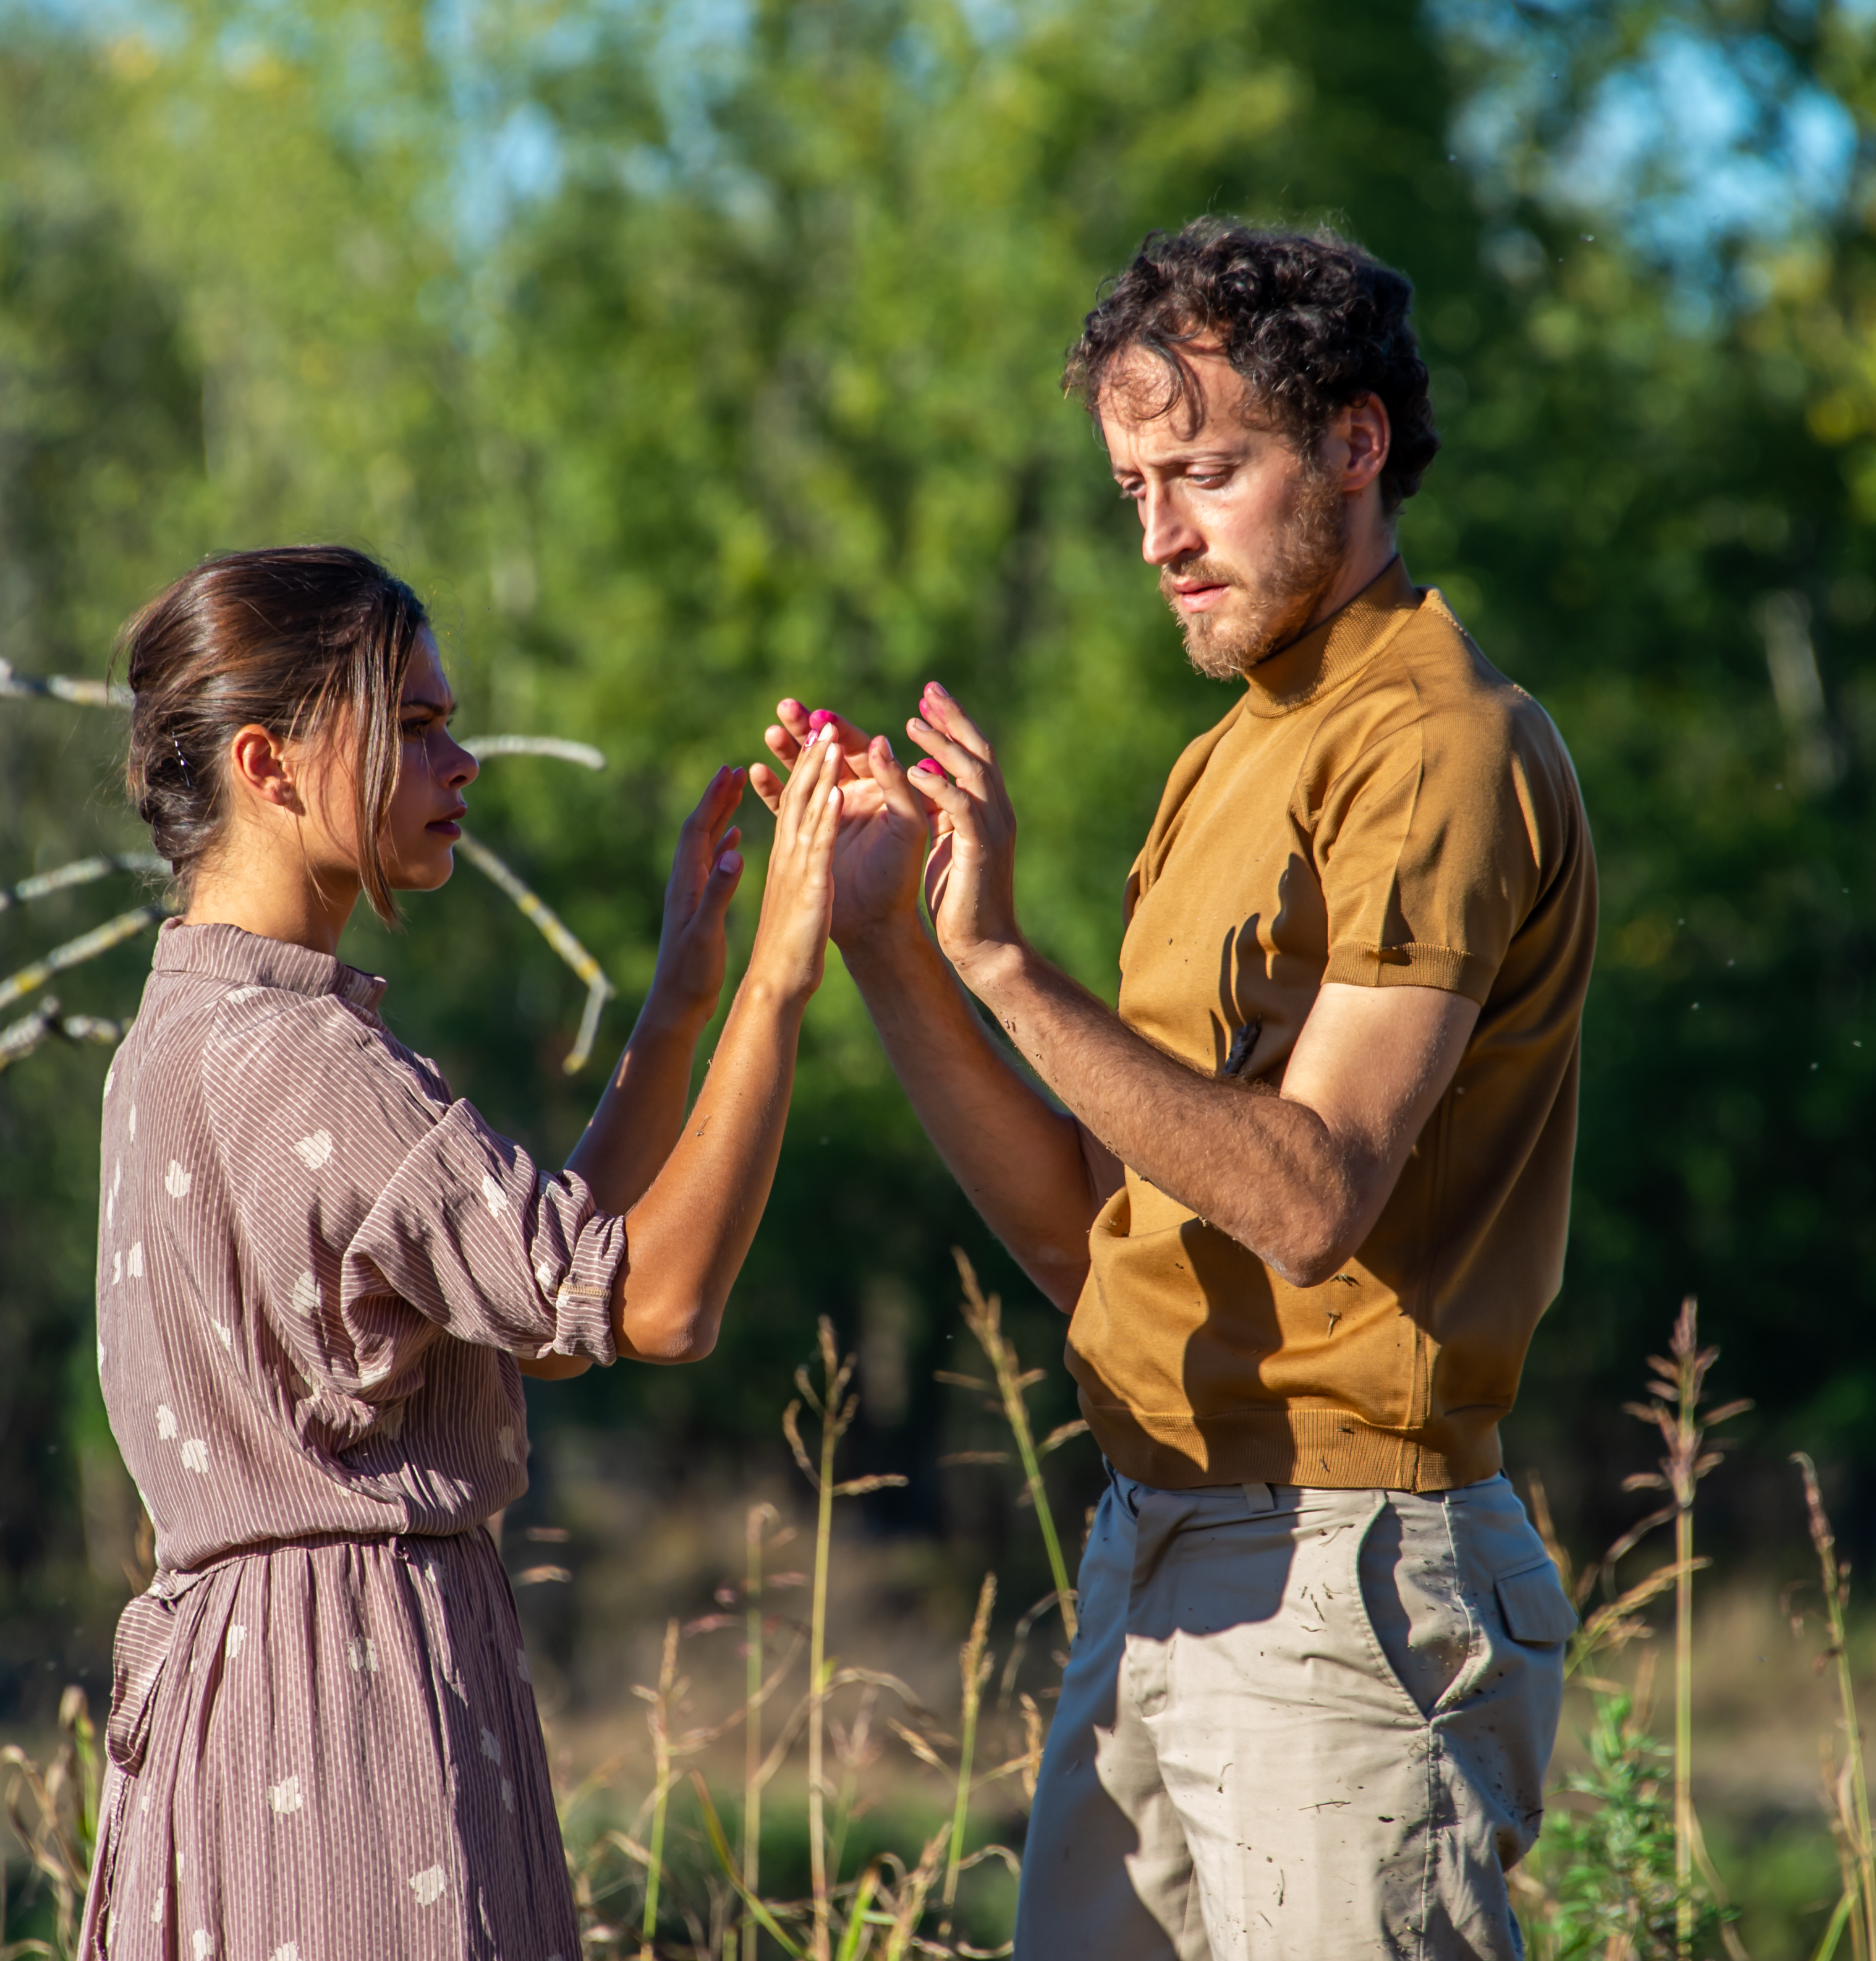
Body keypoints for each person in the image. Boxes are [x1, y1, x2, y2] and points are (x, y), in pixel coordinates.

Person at [759, 221, 1597, 1957]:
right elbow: (1095, 1239)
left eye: (1206, 471)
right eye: (1134, 482)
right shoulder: (1225, 753)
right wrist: (905, 952)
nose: (1159, 533)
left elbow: (1310, 1199)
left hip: (1343, 1565)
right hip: (1155, 1549)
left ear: (1356, 444)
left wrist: (1010, 964)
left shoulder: (1434, 741)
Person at [83, 544, 844, 1960]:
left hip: (236, 1719)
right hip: (357, 1712)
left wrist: (681, 996)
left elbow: (539, 1309)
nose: (464, 759)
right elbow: (656, 1301)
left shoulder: (174, 1041)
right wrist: (784, 969)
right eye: (416, 725)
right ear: (272, 761)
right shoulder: (309, 1059)